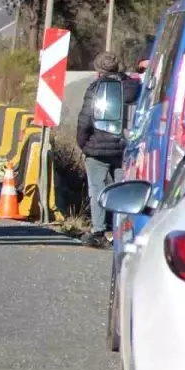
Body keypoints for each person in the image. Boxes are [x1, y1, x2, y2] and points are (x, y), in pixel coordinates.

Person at [76, 51, 140, 249]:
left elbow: (85, 121)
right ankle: (122, 231)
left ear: (98, 71)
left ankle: (99, 231)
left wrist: (83, 144)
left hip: (97, 148)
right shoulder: (133, 87)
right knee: (122, 190)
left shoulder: (96, 89)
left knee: (97, 189)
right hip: (125, 148)